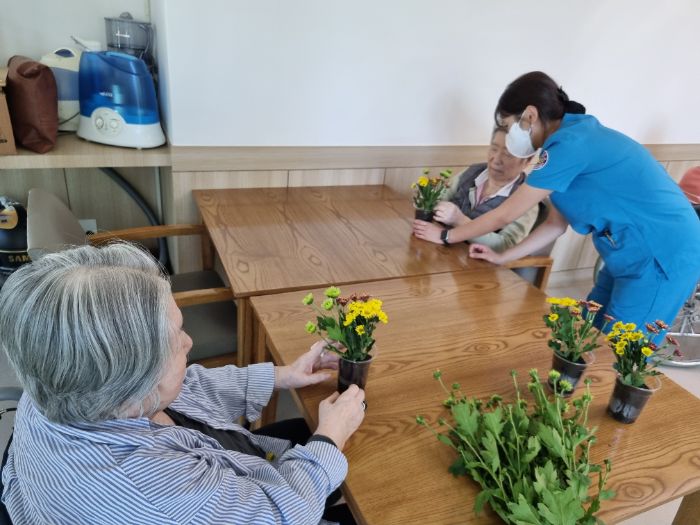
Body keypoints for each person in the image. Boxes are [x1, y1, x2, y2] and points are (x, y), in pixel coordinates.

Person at [0, 242, 365, 525]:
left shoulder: (61, 376)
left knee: (307, 431)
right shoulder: (155, 489)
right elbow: (281, 516)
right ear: (133, 383)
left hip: (224, 466)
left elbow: (184, 387)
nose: (189, 342)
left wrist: (282, 375)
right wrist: (329, 439)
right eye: (175, 338)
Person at [414, 71, 700, 329]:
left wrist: (447, 236)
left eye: (509, 125)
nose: (508, 136)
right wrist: (502, 257)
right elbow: (555, 224)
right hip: (629, 252)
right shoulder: (569, 141)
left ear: (530, 115)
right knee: (586, 332)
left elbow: (505, 214)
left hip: (664, 251)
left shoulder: (571, 143)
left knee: (620, 348)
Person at [436, 125, 539, 252]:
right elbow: (438, 198)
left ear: (527, 161)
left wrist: (460, 221)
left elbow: (505, 245)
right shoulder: (473, 171)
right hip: (440, 246)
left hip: (475, 260)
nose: (496, 159)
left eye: (507, 154)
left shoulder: (527, 199)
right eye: (494, 149)